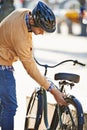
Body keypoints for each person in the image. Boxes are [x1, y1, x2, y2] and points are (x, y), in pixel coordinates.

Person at [0, 1, 67, 130]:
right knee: (10, 106)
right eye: (42, 29)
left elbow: (27, 45)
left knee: (4, 104)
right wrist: (53, 91)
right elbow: (29, 68)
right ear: (32, 21)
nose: (42, 33)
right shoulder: (20, 35)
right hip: (2, 65)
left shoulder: (25, 13)